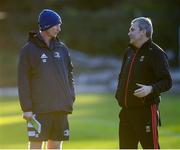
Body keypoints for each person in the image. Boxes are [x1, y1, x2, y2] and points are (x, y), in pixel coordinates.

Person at [18, 9, 75, 149]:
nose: (59, 29)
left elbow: (69, 74)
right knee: (36, 145)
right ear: (46, 25)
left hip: (60, 108)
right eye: (56, 25)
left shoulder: (62, 49)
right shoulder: (28, 50)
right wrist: (26, 108)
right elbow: (23, 80)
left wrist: (70, 96)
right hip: (39, 109)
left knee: (55, 145)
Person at [115, 17, 172, 149]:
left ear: (143, 32)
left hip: (145, 112)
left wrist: (151, 89)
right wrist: (118, 95)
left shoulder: (156, 53)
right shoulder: (128, 52)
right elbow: (121, 76)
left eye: (132, 29)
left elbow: (167, 81)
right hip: (125, 113)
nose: (129, 32)